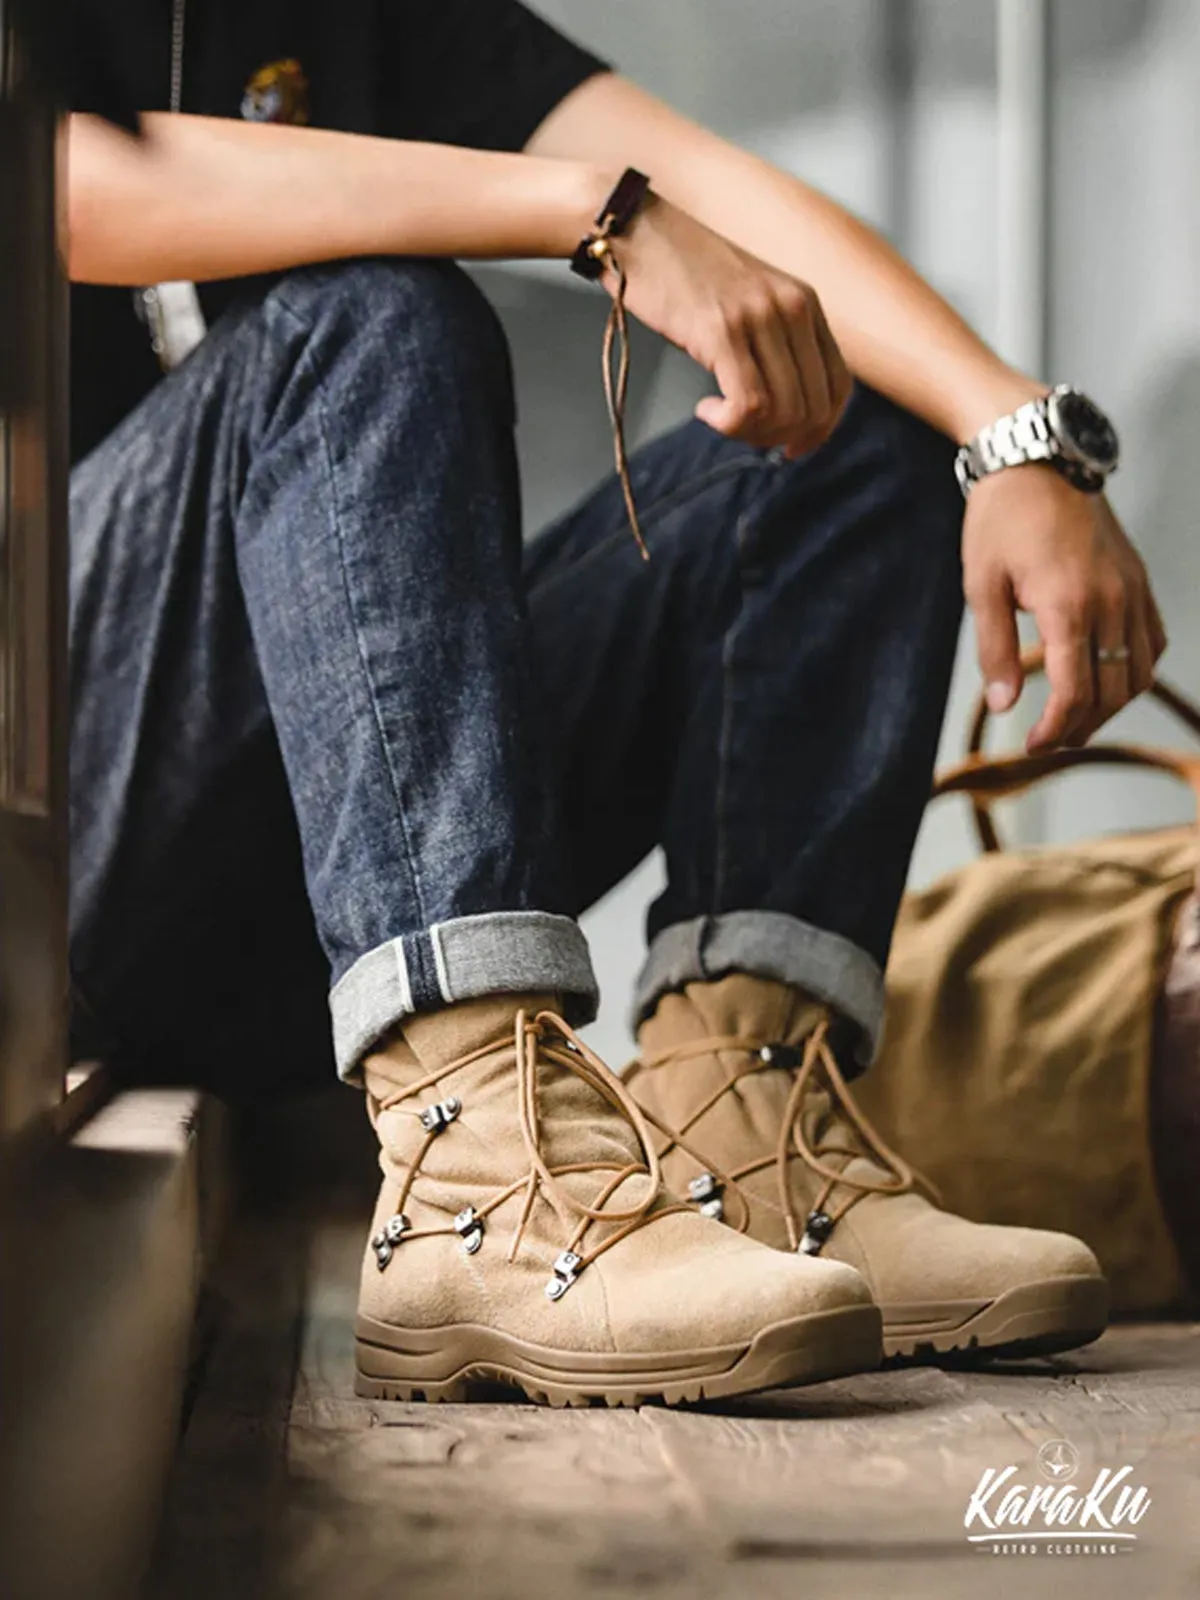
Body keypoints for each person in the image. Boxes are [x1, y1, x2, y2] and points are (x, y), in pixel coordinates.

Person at [65, 0, 1164, 1406]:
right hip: (78, 867)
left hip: (341, 888)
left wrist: (1012, 433)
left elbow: (714, 192)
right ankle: (477, 1190)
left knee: (856, 423)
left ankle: (741, 1131)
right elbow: (69, 186)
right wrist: (595, 211)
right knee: (366, 314)